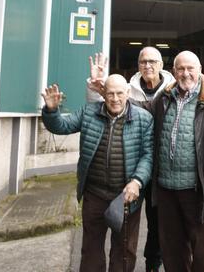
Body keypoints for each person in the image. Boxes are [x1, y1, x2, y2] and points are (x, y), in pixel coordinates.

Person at [41, 74, 154, 272]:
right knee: (91, 249)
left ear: (128, 93)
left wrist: (137, 181)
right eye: (110, 93)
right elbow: (62, 126)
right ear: (103, 93)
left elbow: (148, 155)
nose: (115, 98)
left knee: (124, 251)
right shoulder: (89, 112)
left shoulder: (143, 118)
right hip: (94, 194)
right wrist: (51, 111)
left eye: (120, 93)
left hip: (126, 197)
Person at [148, 50, 204, 272]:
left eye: (191, 68)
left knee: (202, 254)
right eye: (181, 68)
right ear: (173, 72)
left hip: (199, 190)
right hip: (166, 190)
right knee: (172, 251)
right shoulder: (162, 99)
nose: (186, 73)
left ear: (200, 71)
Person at [88, 47, 173, 272]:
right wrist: (97, 90)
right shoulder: (127, 89)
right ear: (138, 65)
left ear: (161, 65)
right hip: (131, 172)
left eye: (153, 61)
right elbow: (106, 106)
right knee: (125, 230)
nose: (148, 66)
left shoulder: (172, 90)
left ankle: (153, 265)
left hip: (160, 172)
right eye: (143, 61)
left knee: (157, 224)